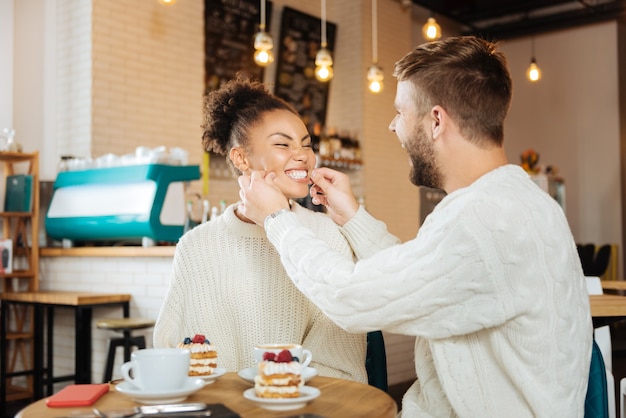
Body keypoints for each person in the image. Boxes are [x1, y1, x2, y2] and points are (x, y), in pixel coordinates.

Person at [237, 36, 592, 417]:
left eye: (400, 113)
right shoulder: (514, 202)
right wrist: (354, 219)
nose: (393, 126)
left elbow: (349, 297)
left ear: (436, 120)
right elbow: (425, 282)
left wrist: (277, 220)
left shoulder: (483, 220)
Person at [153, 76, 368, 383]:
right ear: (241, 157)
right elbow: (175, 355)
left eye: (307, 144)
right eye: (283, 144)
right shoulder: (195, 246)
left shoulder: (328, 235)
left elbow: (339, 364)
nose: (303, 155)